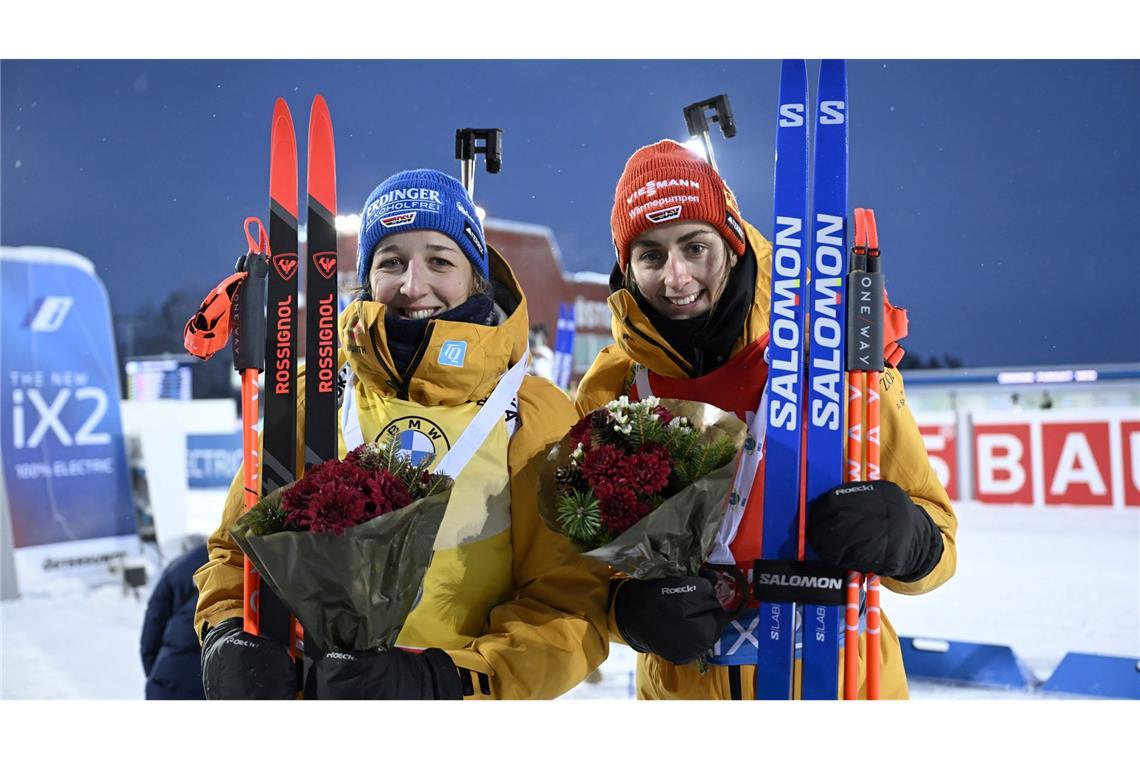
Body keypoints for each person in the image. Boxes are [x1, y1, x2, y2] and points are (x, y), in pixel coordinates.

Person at [194, 169, 610, 700]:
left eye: (440, 259)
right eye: (391, 262)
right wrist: (228, 636)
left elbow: (571, 603)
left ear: (475, 275)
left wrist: (439, 683)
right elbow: (235, 555)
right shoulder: (313, 393)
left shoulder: (533, 413)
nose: (413, 285)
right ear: (367, 277)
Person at [574, 140, 958, 699]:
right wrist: (626, 611)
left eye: (695, 246)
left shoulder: (827, 354)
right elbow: (583, 565)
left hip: (838, 685)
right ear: (627, 268)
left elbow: (939, 540)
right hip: (687, 696)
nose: (676, 278)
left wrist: (908, 538)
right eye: (650, 256)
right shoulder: (614, 387)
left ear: (731, 243)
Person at [140, 541, 208, 699]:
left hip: (172, 676)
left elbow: (154, 620)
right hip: (225, 678)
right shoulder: (256, 557)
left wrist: (157, 673)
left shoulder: (183, 563)